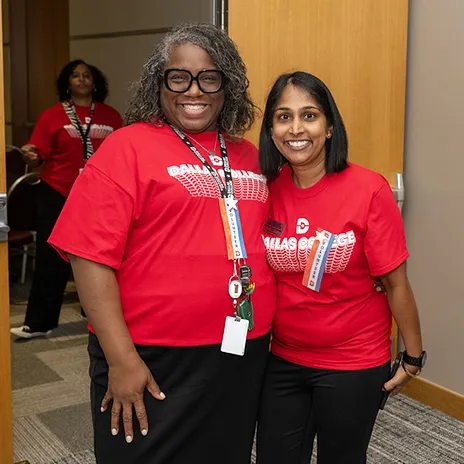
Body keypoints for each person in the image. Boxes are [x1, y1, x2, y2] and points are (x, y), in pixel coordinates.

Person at [47, 23, 276, 464]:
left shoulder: (249, 154)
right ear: (160, 82)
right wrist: (121, 359)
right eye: (179, 77)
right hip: (149, 354)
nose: (195, 90)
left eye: (210, 78)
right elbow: (88, 256)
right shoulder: (125, 148)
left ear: (228, 87)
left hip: (240, 349)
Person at [256, 72, 425, 464]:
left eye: (309, 115)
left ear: (329, 127)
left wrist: (413, 356)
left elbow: (396, 284)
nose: (296, 128)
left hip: (353, 361)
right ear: (271, 129)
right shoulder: (266, 190)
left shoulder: (368, 189)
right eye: (283, 117)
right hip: (283, 358)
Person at [10, 60, 122, 339]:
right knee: (51, 257)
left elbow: (122, 154)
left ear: (96, 83)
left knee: (100, 257)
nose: (82, 80)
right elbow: (38, 154)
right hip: (57, 192)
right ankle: (39, 322)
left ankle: (95, 312)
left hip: (99, 194)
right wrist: (30, 156)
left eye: (87, 76)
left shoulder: (111, 116)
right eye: (75, 75)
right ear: (67, 83)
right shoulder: (52, 116)